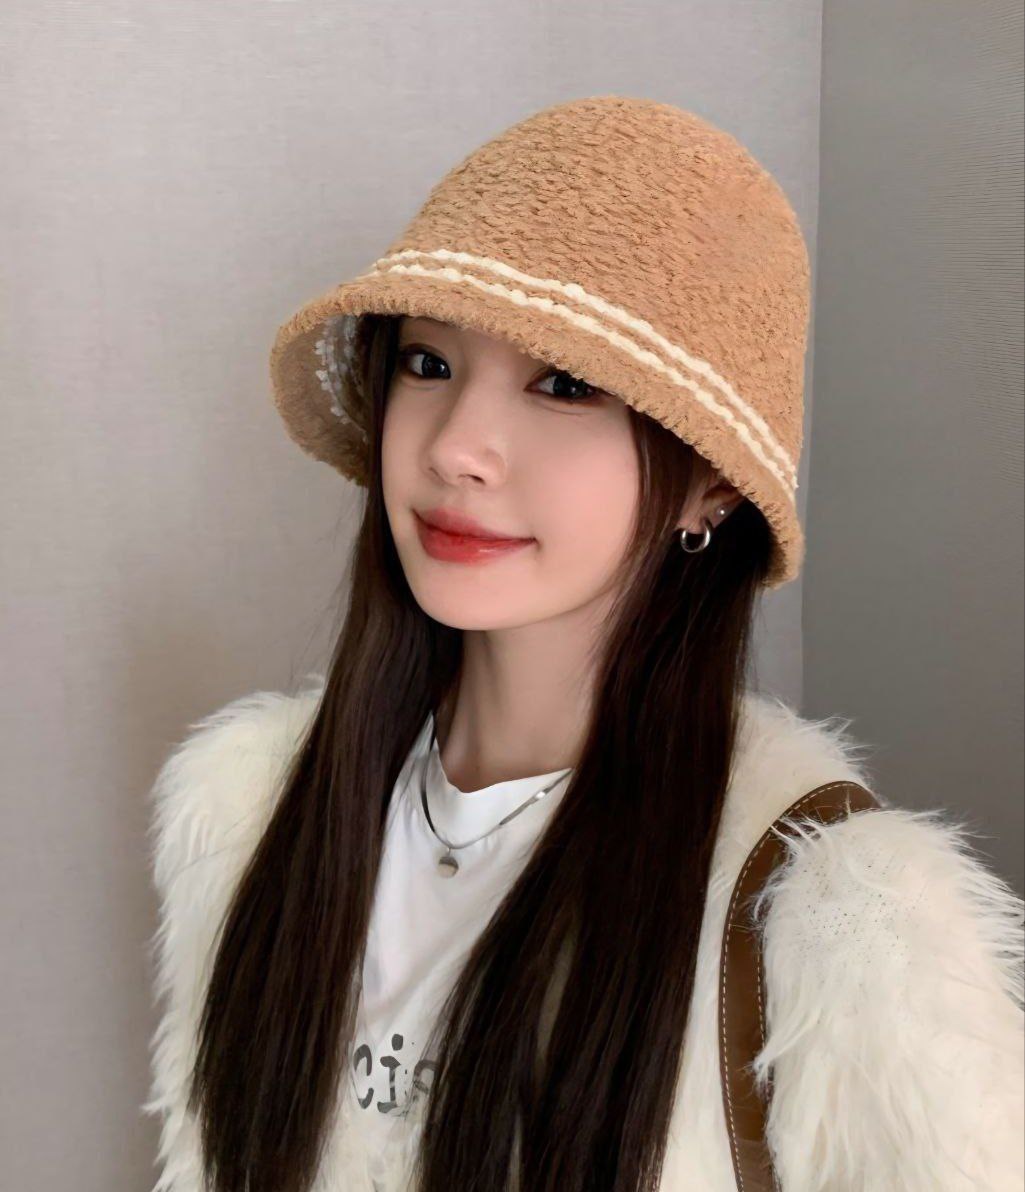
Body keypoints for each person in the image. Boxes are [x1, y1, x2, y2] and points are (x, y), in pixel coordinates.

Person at [142, 96, 1024, 1192]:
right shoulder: (248, 810)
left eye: (563, 384)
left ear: (709, 483)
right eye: (426, 364)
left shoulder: (836, 918)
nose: (457, 448)